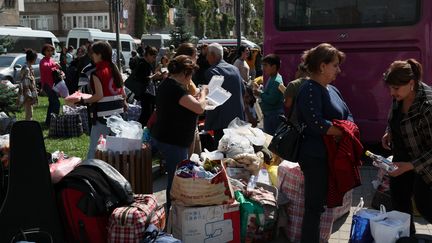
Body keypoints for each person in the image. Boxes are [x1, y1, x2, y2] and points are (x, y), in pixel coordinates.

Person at [295, 43, 352, 243]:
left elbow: (348, 115)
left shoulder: (333, 90)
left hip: (331, 156)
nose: (339, 70)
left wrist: (346, 129)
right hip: (315, 157)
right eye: (335, 65)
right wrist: (343, 131)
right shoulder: (309, 89)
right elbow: (316, 123)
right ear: (321, 66)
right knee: (314, 206)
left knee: (320, 204)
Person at [151, 55, 208, 213]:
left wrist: (194, 98)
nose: (190, 80)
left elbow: (184, 103)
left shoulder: (167, 84)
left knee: (174, 177)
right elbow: (199, 108)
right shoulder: (175, 89)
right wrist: (203, 93)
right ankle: (172, 212)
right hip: (173, 141)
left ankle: (172, 210)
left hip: (165, 136)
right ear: (184, 74)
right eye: (190, 76)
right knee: (176, 180)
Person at [381, 59, 432, 234]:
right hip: (402, 159)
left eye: (395, 88)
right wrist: (390, 131)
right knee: (399, 206)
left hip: (425, 166)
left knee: (425, 205)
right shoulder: (400, 95)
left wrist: (410, 166)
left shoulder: (427, 106)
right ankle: (406, 238)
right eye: (390, 88)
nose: (392, 93)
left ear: (411, 83)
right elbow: (396, 118)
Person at [78, 41, 126, 159]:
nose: (91, 56)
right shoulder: (115, 69)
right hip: (118, 115)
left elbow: (98, 95)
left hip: (102, 116)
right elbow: (123, 94)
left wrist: (83, 100)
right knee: (115, 148)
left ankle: (90, 170)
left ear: (99, 54)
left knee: (95, 147)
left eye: (93, 53)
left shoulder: (97, 73)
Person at [205, 43, 245, 144]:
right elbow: (243, 90)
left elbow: (212, 100)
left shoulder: (212, 71)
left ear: (213, 55)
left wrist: (208, 123)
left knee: (223, 154)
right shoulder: (234, 69)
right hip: (237, 119)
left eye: (207, 55)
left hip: (221, 122)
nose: (206, 58)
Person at [254, 54, 285, 135]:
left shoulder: (276, 81)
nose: (263, 68)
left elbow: (272, 100)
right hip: (270, 115)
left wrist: (259, 93)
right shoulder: (272, 77)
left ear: (274, 67)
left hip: (273, 116)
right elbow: (268, 93)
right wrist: (260, 89)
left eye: (266, 65)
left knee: (271, 140)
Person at [135, 45, 161, 126]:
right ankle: (142, 130)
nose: (154, 59)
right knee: (146, 114)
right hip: (145, 93)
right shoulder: (143, 64)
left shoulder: (148, 64)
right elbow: (143, 79)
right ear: (148, 55)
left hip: (149, 93)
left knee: (149, 113)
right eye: (153, 57)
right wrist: (154, 76)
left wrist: (158, 76)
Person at [40, 43, 60, 126]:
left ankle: (49, 121)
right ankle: (54, 121)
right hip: (47, 85)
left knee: (52, 103)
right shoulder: (43, 61)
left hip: (53, 85)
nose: (50, 52)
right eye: (48, 51)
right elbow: (45, 67)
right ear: (44, 52)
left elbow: (53, 69)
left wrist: (58, 69)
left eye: (51, 51)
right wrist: (54, 64)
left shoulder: (51, 60)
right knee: (56, 103)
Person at [19, 49, 38, 120]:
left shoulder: (30, 67)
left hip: (29, 93)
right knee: (29, 113)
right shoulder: (26, 69)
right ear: (33, 59)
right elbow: (26, 84)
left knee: (30, 112)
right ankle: (27, 127)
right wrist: (30, 96)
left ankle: (28, 125)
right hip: (27, 94)